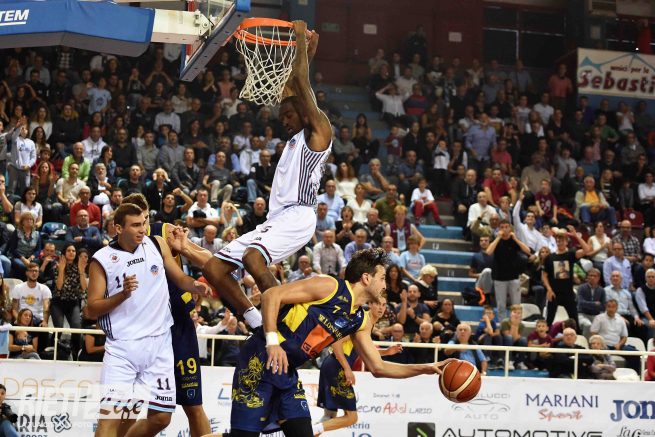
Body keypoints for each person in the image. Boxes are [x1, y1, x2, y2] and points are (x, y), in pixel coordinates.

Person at [226, 247, 451, 436]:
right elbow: (271, 295)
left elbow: (378, 367)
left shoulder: (359, 319)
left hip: (287, 371)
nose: (385, 285)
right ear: (366, 278)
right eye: (382, 278)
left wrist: (427, 368)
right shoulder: (331, 286)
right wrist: (272, 342)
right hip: (259, 360)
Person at [199, 22, 333, 334]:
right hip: (277, 219)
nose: (283, 121)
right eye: (282, 116)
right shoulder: (297, 135)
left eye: (288, 115)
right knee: (215, 267)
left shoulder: (318, 132)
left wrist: (299, 38)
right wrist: (308, 50)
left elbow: (301, 84)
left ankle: (285, 325)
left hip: (298, 214)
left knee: (253, 258)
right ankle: (257, 322)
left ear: (304, 113)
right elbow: (295, 86)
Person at [86, 203, 211, 437]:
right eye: (135, 225)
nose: (142, 229)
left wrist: (196, 286)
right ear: (118, 228)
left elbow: (180, 278)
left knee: (161, 418)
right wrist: (122, 295)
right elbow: (90, 310)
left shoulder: (156, 243)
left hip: (160, 344)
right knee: (112, 419)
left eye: (143, 223)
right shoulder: (102, 259)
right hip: (123, 348)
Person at [316, 297, 402, 434]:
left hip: (331, 365)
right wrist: (347, 368)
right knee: (351, 418)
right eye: (378, 304)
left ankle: (305, 432)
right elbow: (336, 341)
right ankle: (305, 431)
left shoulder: (368, 323)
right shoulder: (361, 321)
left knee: (329, 416)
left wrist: (386, 352)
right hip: (337, 366)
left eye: (384, 305)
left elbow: (363, 350)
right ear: (370, 304)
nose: (381, 308)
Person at [542, 226, 590, 327]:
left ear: (566, 242)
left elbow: (587, 249)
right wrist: (549, 289)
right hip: (554, 293)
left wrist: (576, 236)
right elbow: (544, 276)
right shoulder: (549, 258)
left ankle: (577, 336)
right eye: (558, 240)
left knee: (574, 320)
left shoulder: (571, 254)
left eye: (562, 240)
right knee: (549, 321)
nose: (560, 242)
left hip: (568, 293)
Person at [486, 220, 532, 319]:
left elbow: (528, 251)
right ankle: (503, 325)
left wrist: (515, 239)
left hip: (514, 277)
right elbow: (488, 252)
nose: (504, 229)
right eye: (502, 227)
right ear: (499, 229)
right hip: (499, 278)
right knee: (501, 305)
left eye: (506, 227)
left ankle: (516, 324)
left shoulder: (514, 240)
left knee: (516, 305)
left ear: (510, 228)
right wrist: (498, 237)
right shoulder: (496, 240)